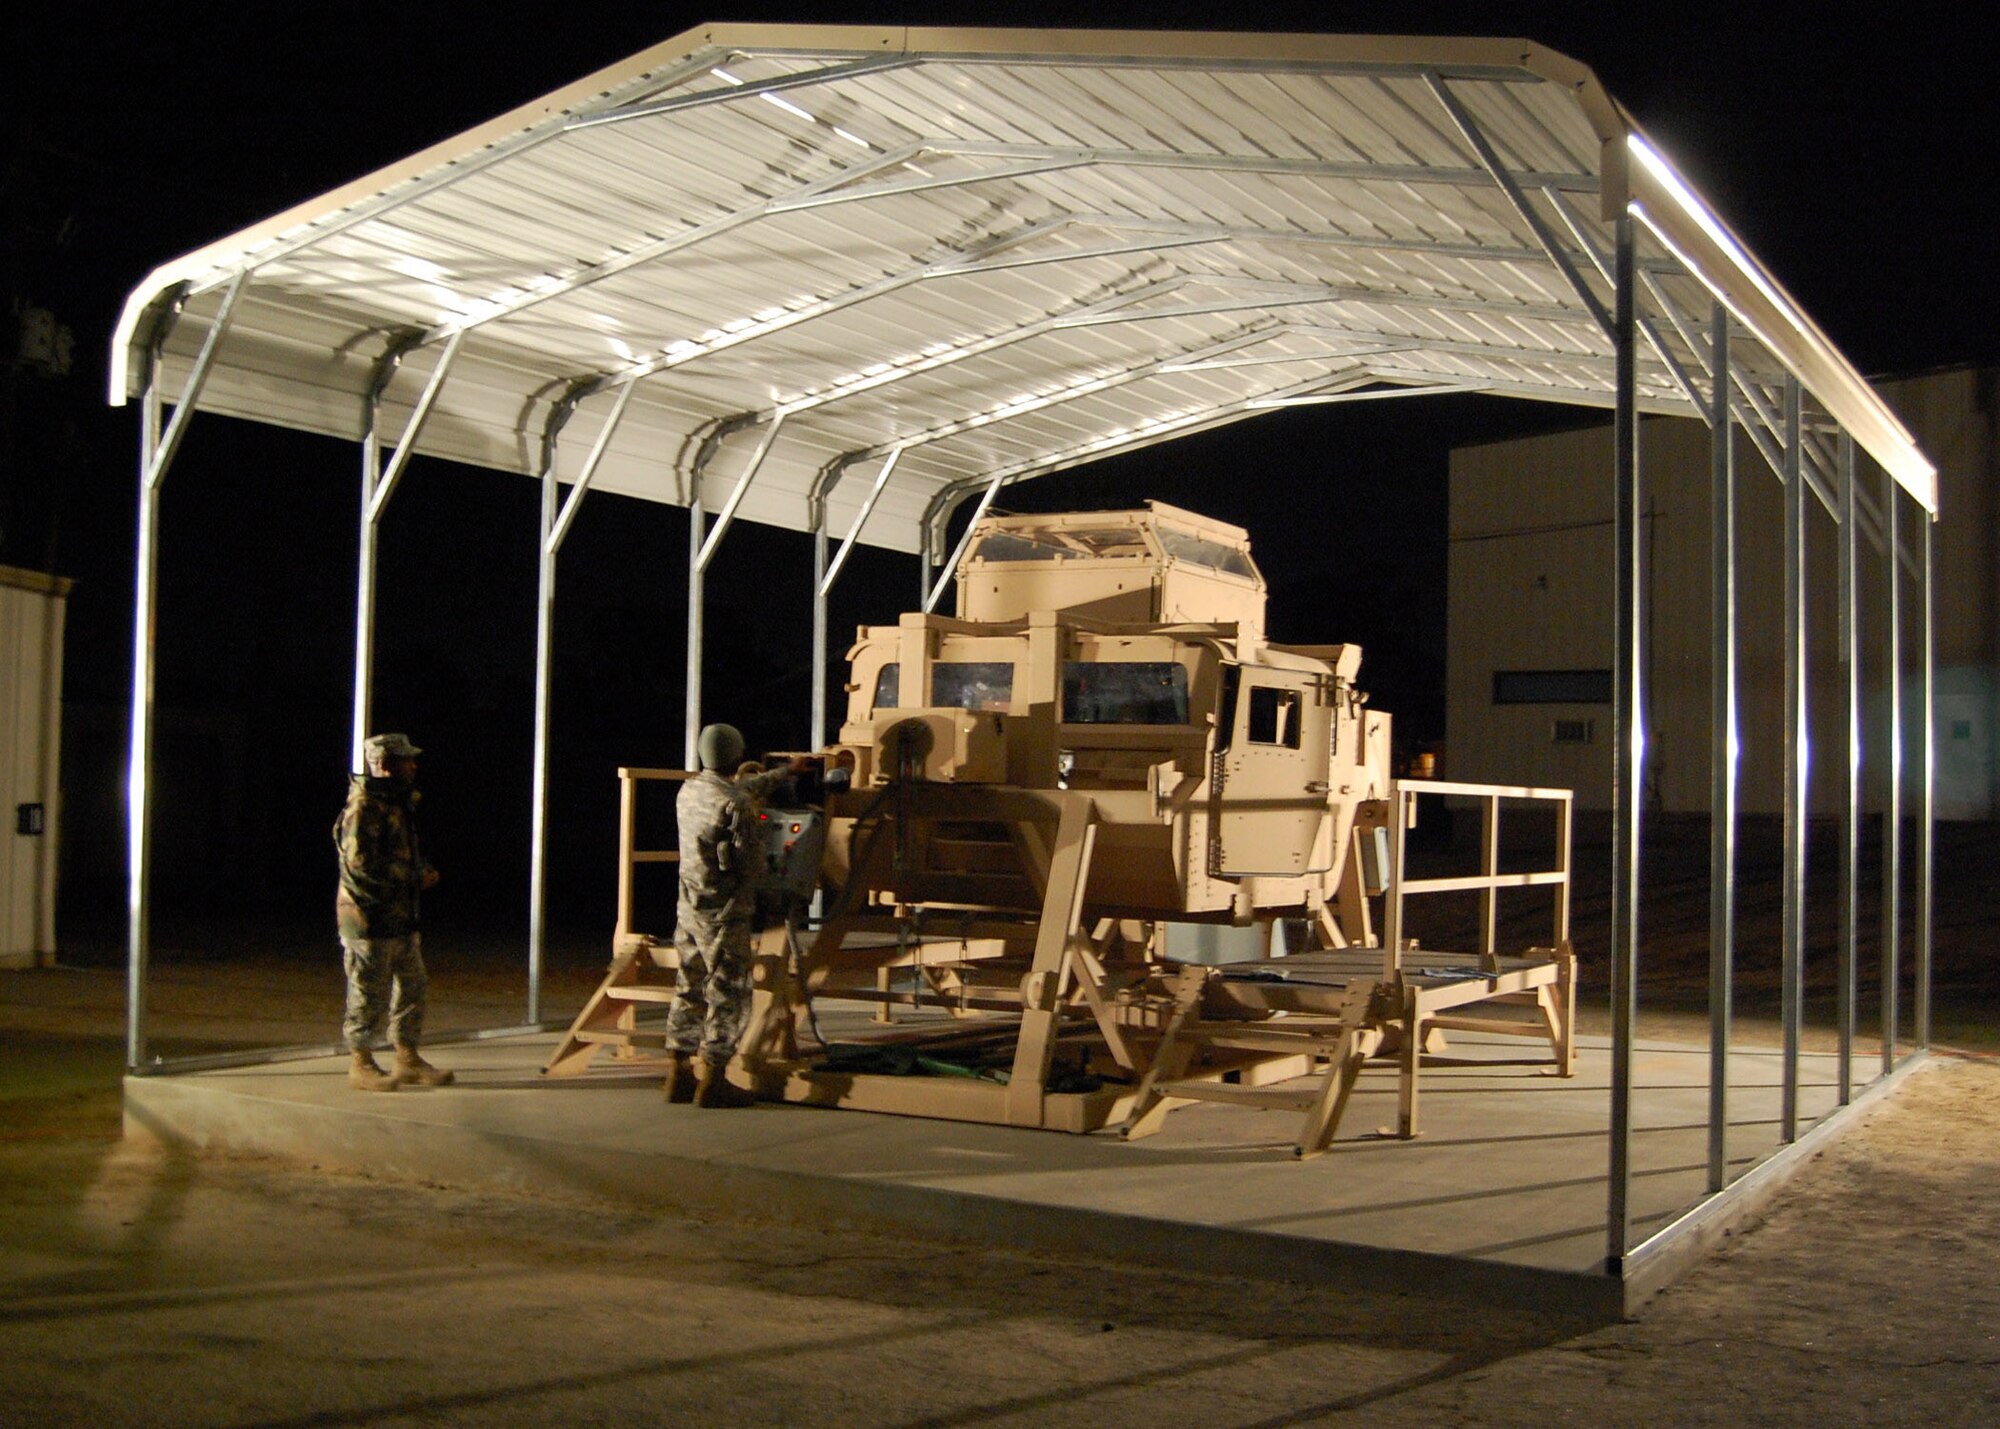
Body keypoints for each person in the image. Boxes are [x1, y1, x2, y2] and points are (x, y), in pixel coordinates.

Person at [663, 724, 807, 1108]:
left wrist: (785, 772)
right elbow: (752, 865)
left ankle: (678, 1072)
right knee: (728, 992)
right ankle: (714, 1080)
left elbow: (737, 791)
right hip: (726, 914)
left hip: (689, 908)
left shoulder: (690, 790)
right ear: (735, 755)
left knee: (689, 986)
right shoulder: (737, 806)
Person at [333, 732, 453, 1092]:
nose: (413, 766)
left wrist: (419, 872)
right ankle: (361, 1062)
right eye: (405, 760)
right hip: (369, 919)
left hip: (399, 916)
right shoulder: (364, 807)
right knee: (368, 992)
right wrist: (414, 877)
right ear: (385, 765)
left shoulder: (398, 804)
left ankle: (407, 1057)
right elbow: (360, 865)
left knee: (412, 986)